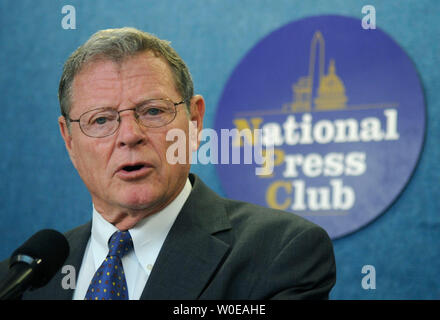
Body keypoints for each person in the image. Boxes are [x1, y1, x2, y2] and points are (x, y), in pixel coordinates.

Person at [1, 27, 336, 300]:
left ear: (194, 120)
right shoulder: (20, 280)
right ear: (69, 139)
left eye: (153, 111)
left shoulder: (280, 253)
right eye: (101, 120)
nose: (129, 135)